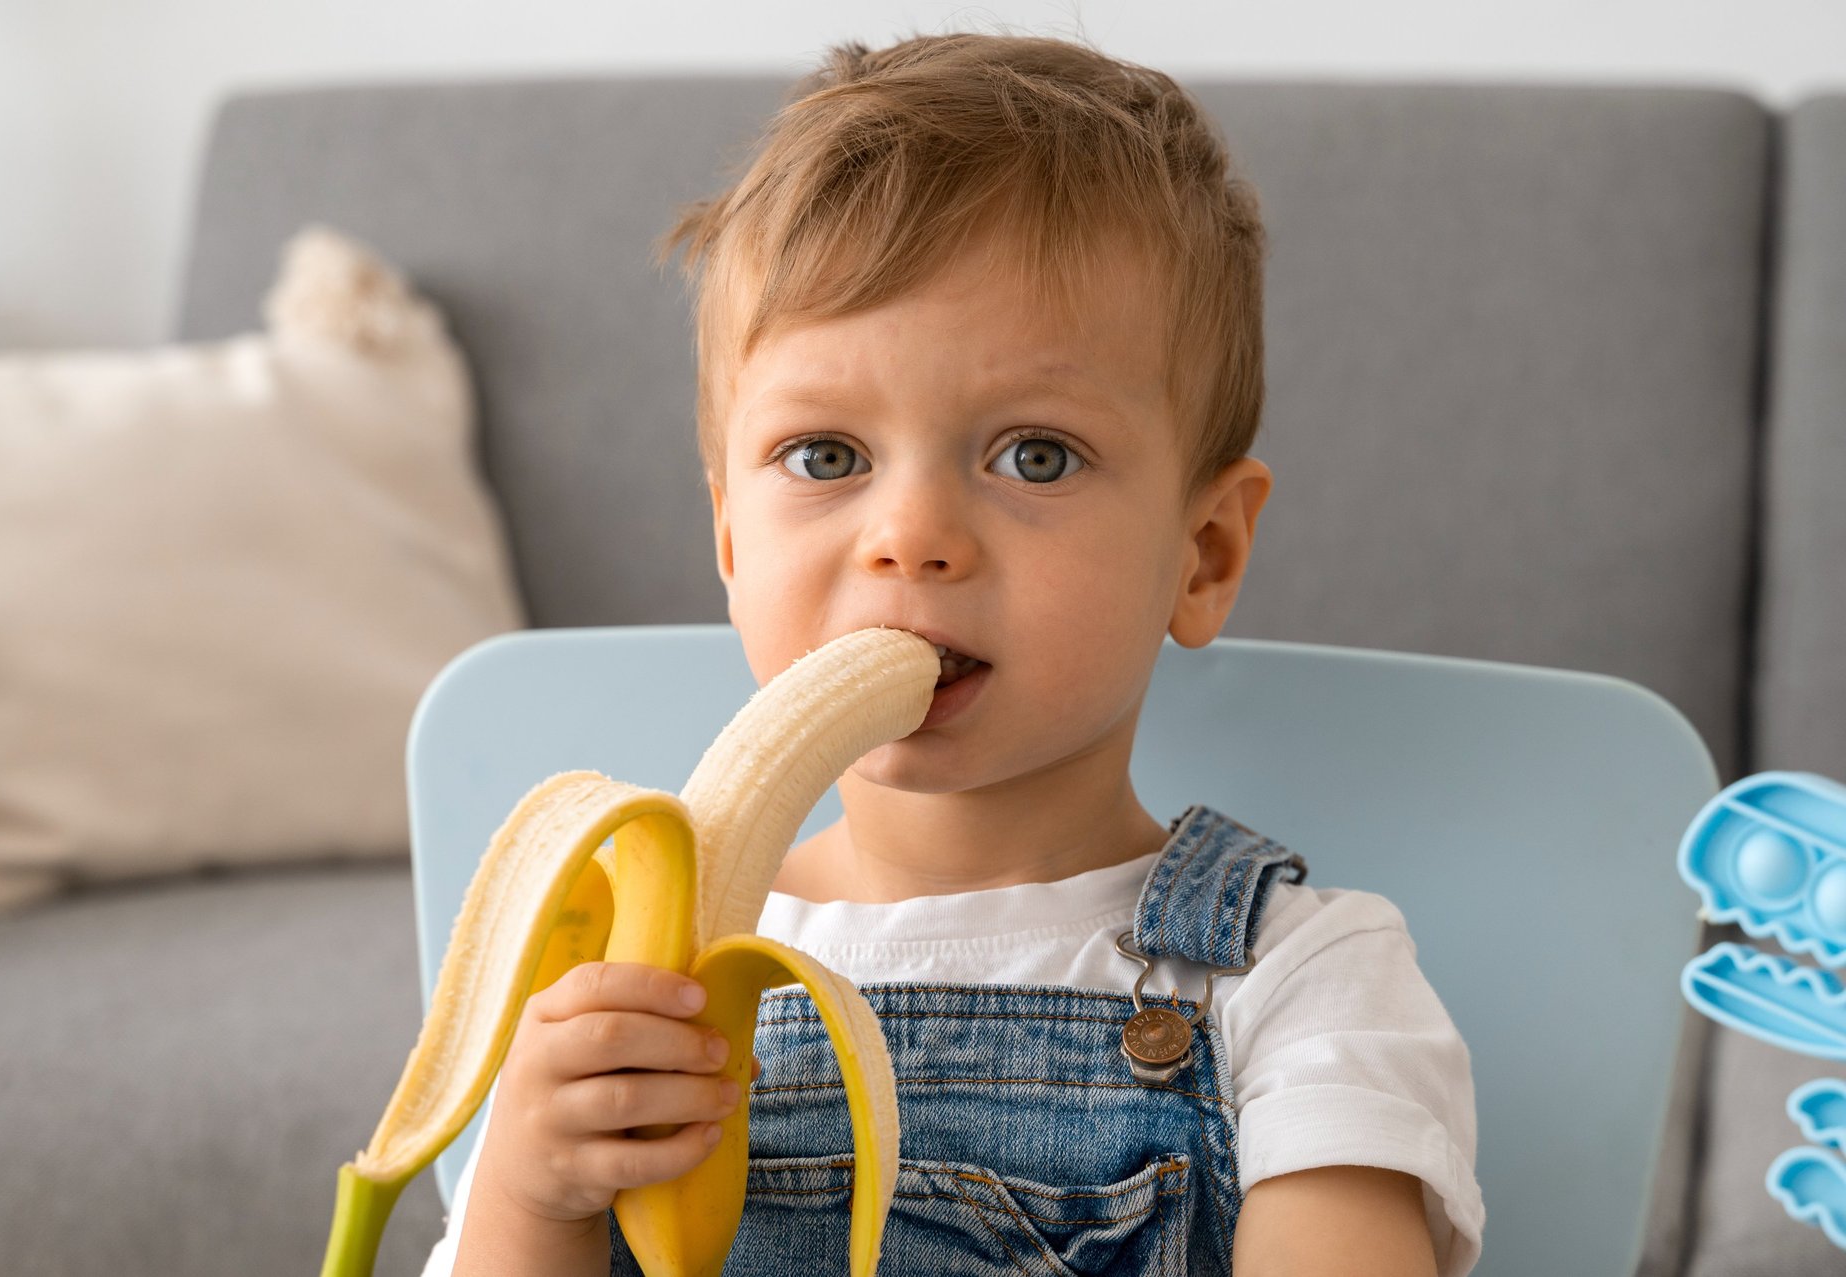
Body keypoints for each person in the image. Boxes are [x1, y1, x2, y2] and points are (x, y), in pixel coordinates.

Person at [432, 28, 1481, 1277]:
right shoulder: (634, 968)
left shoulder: (1298, 977)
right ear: (728, 535)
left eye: (1034, 454)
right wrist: (527, 1196)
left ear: (1200, 554)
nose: (912, 537)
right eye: (826, 456)